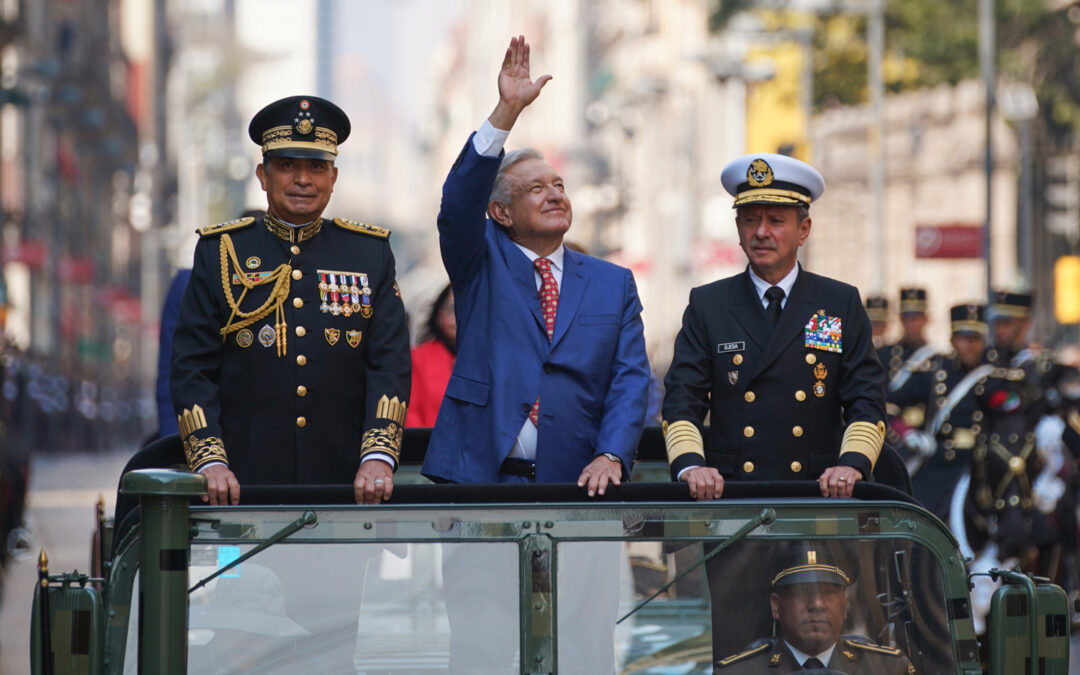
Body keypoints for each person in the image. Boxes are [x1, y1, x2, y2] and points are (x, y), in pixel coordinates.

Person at [420, 36, 649, 674]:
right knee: (485, 650)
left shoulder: (612, 282)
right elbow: (455, 204)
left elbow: (631, 380)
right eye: (534, 188)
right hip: (481, 488)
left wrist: (612, 453)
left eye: (559, 184)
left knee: (580, 650)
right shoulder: (479, 260)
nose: (554, 194)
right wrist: (504, 115)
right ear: (501, 212)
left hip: (581, 490)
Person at [170, 95, 411, 505]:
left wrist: (378, 456)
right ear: (263, 175)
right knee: (234, 574)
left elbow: (389, 364)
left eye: (317, 167)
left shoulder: (369, 253)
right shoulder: (220, 251)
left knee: (340, 574)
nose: (304, 179)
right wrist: (209, 459)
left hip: (347, 488)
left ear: (334, 177)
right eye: (288, 166)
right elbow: (192, 367)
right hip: (237, 488)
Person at [662, 152, 887, 501]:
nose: (761, 233)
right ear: (738, 230)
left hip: (818, 496)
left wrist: (852, 464)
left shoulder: (837, 303)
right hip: (731, 497)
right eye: (750, 220)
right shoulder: (709, 305)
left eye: (776, 221)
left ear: (804, 230)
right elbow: (682, 397)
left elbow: (866, 398)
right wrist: (691, 465)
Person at [716, 544, 916, 673]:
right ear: (776, 606)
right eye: (801, 593)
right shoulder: (739, 672)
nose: (817, 605)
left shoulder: (889, 669)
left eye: (828, 592)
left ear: (845, 604)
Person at [889, 304, 992, 519]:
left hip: (979, 468)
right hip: (939, 465)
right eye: (964, 338)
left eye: (976, 338)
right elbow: (889, 405)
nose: (970, 345)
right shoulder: (936, 372)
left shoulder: (995, 374)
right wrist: (909, 433)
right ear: (953, 340)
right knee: (916, 518)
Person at [404, 283, 455, 427]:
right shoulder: (417, 358)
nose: (460, 316)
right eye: (452, 309)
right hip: (427, 445)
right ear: (439, 315)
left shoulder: (493, 361)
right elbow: (410, 413)